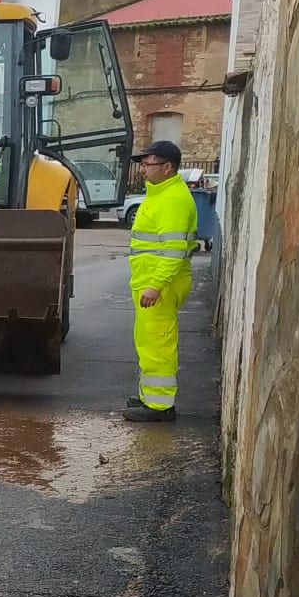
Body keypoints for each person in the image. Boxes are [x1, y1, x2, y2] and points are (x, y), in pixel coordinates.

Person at [123, 140, 197, 423]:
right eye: (142, 164)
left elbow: (174, 250)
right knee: (147, 342)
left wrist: (155, 285)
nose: (143, 169)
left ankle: (160, 406)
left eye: (148, 164)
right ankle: (148, 396)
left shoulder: (173, 199)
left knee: (158, 344)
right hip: (151, 283)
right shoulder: (161, 195)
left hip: (160, 286)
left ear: (167, 167)